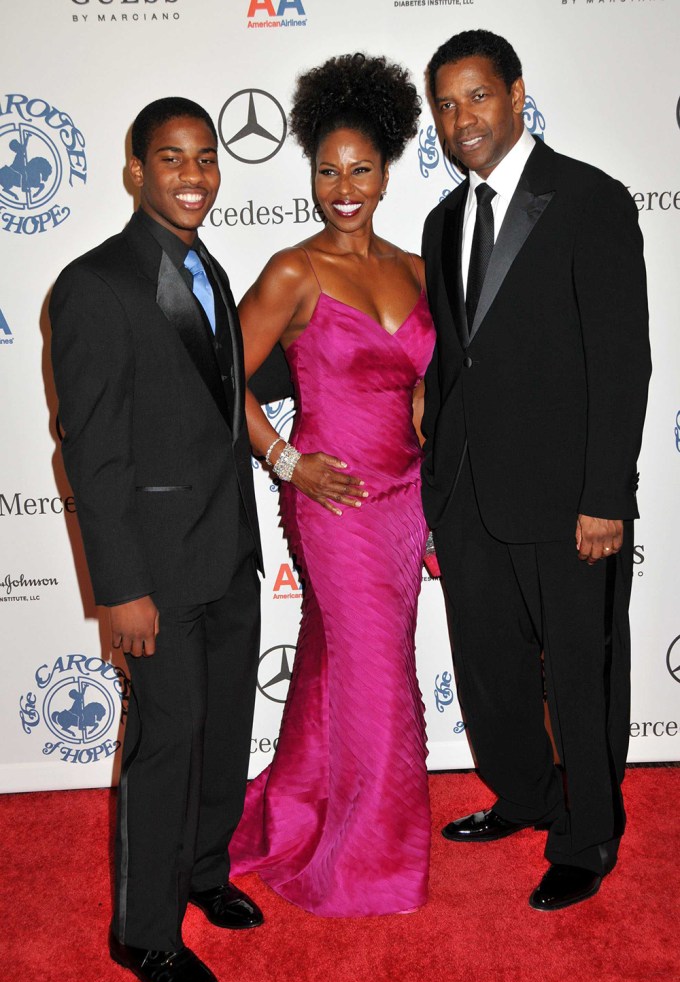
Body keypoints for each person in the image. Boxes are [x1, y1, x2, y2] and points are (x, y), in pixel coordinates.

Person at [421, 30, 651, 910]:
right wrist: (440, 486)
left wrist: (604, 496)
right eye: (445, 105)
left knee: (582, 669)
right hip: (471, 494)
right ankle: (522, 795)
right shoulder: (445, 221)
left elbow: (622, 359)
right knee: (490, 666)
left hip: (568, 499)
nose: (461, 119)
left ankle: (589, 833)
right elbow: (453, 364)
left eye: (476, 97)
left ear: (517, 94)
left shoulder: (590, 200)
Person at [50, 98, 265, 982]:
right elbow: (90, 454)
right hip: (158, 569)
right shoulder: (94, 285)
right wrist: (122, 588)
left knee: (223, 738)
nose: (193, 175)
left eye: (206, 158)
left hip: (229, 550)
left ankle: (204, 874)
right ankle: (143, 932)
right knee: (165, 742)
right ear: (135, 170)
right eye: (171, 158)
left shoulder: (209, 263)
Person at [229, 54, 436, 917]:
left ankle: (296, 809)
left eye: (359, 170)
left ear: (387, 171)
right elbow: (216, 382)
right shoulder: (293, 271)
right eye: (326, 170)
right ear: (308, 171)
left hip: (407, 499)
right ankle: (369, 862)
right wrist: (283, 458)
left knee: (333, 664)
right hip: (332, 500)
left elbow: (427, 383)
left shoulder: (421, 271)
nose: (342, 188)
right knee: (381, 676)